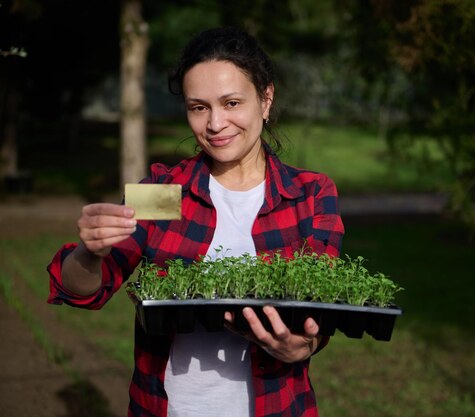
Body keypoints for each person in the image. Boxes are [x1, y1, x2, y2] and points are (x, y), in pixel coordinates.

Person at [47, 26, 344, 417]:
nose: (216, 124)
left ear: (266, 99)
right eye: (198, 107)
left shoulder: (309, 194)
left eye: (232, 102)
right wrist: (90, 252)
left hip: (279, 407)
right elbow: (84, 290)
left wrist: (304, 345)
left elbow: (322, 314)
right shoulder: (163, 190)